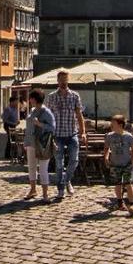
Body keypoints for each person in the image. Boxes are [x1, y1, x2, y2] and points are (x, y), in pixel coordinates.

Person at [45, 69, 86, 202]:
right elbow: (47, 117)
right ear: (57, 81)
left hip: (72, 133)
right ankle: (61, 189)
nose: (63, 82)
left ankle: (67, 180)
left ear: (68, 80)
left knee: (74, 160)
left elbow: (79, 115)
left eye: (65, 79)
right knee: (59, 163)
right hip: (57, 135)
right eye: (61, 80)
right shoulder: (51, 97)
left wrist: (83, 132)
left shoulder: (74, 96)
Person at [23, 90, 54, 202]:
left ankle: (45, 194)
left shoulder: (47, 112)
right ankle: (33, 190)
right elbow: (29, 129)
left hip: (42, 144)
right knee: (31, 167)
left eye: (31, 98)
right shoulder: (32, 111)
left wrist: (39, 124)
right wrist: (26, 142)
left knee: (43, 169)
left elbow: (52, 128)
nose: (29, 100)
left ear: (35, 99)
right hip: (31, 143)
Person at [103, 114, 133, 217]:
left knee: (128, 183)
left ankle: (132, 204)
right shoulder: (109, 136)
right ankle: (120, 202)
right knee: (118, 183)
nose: (111, 125)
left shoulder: (128, 136)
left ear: (120, 125)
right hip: (115, 164)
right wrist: (106, 157)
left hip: (126, 163)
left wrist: (132, 161)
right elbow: (106, 148)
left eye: (113, 123)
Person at [1, 95, 20, 162]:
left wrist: (17, 121)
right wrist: (13, 123)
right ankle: (7, 154)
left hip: (13, 125)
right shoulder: (8, 109)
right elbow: (4, 119)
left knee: (13, 139)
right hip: (8, 126)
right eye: (16, 102)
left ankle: (14, 154)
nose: (17, 103)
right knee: (10, 139)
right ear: (12, 102)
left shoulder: (15, 108)